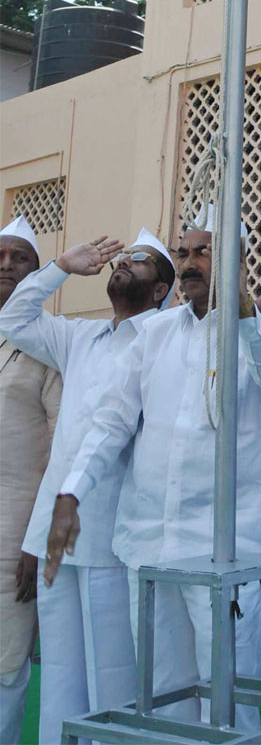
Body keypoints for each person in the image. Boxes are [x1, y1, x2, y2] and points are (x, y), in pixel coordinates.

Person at [43, 203, 261, 734]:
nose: (189, 263)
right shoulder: (155, 333)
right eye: (183, 252)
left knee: (226, 699)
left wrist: (246, 314)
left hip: (226, 551)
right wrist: (71, 493)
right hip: (152, 547)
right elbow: (112, 420)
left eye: (204, 252)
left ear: (236, 258)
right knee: (161, 697)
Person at [0, 229, 174, 745]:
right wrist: (60, 267)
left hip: (112, 537)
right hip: (55, 538)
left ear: (162, 287)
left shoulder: (163, 337)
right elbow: (12, 318)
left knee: (111, 680)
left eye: (139, 261)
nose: (123, 264)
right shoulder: (81, 338)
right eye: (122, 257)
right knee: (59, 678)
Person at [0, 217, 60, 745]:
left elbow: (62, 445)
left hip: (14, 526)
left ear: (34, 272)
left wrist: (36, 539)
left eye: (19, 257)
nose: (5, 265)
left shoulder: (45, 346)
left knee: (7, 658)